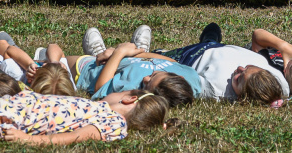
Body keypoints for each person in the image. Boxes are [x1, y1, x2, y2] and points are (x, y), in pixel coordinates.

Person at [0, 89, 168, 144]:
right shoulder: (97, 107)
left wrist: (30, 140)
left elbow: (73, 137)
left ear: (129, 99)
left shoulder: (115, 123)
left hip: (5, 119)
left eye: (121, 91)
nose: (112, 92)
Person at [158, 23, 289, 106]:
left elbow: (185, 78)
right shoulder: (280, 83)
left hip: (193, 56)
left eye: (239, 79)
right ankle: (210, 39)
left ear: (240, 98)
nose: (239, 68)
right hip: (221, 48)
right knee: (212, 32)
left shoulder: (216, 91)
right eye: (248, 67)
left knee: (162, 56)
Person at [69, 26, 198, 107]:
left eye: (147, 85)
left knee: (58, 59)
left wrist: (119, 53)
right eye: (154, 75)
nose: (145, 79)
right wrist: (139, 53)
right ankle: (138, 48)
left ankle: (98, 55)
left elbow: (101, 87)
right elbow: (172, 62)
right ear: (180, 77)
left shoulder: (132, 88)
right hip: (132, 59)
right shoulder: (190, 78)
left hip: (89, 68)